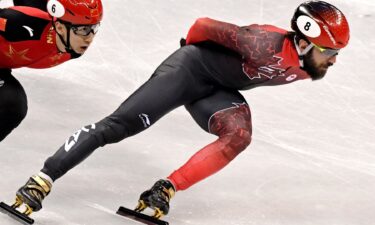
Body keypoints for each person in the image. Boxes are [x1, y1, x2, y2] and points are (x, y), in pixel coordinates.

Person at [11, 0, 349, 220]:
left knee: (239, 136)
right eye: (329, 51)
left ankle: (164, 189)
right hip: (189, 70)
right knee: (117, 126)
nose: (333, 60)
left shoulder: (310, 65)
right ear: (304, 42)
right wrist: (186, 60)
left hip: (219, 90)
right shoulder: (260, 43)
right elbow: (202, 25)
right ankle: (41, 180)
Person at [0, 0, 103, 142]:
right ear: (60, 28)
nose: (89, 38)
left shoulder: (74, 48)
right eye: (83, 30)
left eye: (94, 28)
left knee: (13, 106)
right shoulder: (21, 23)